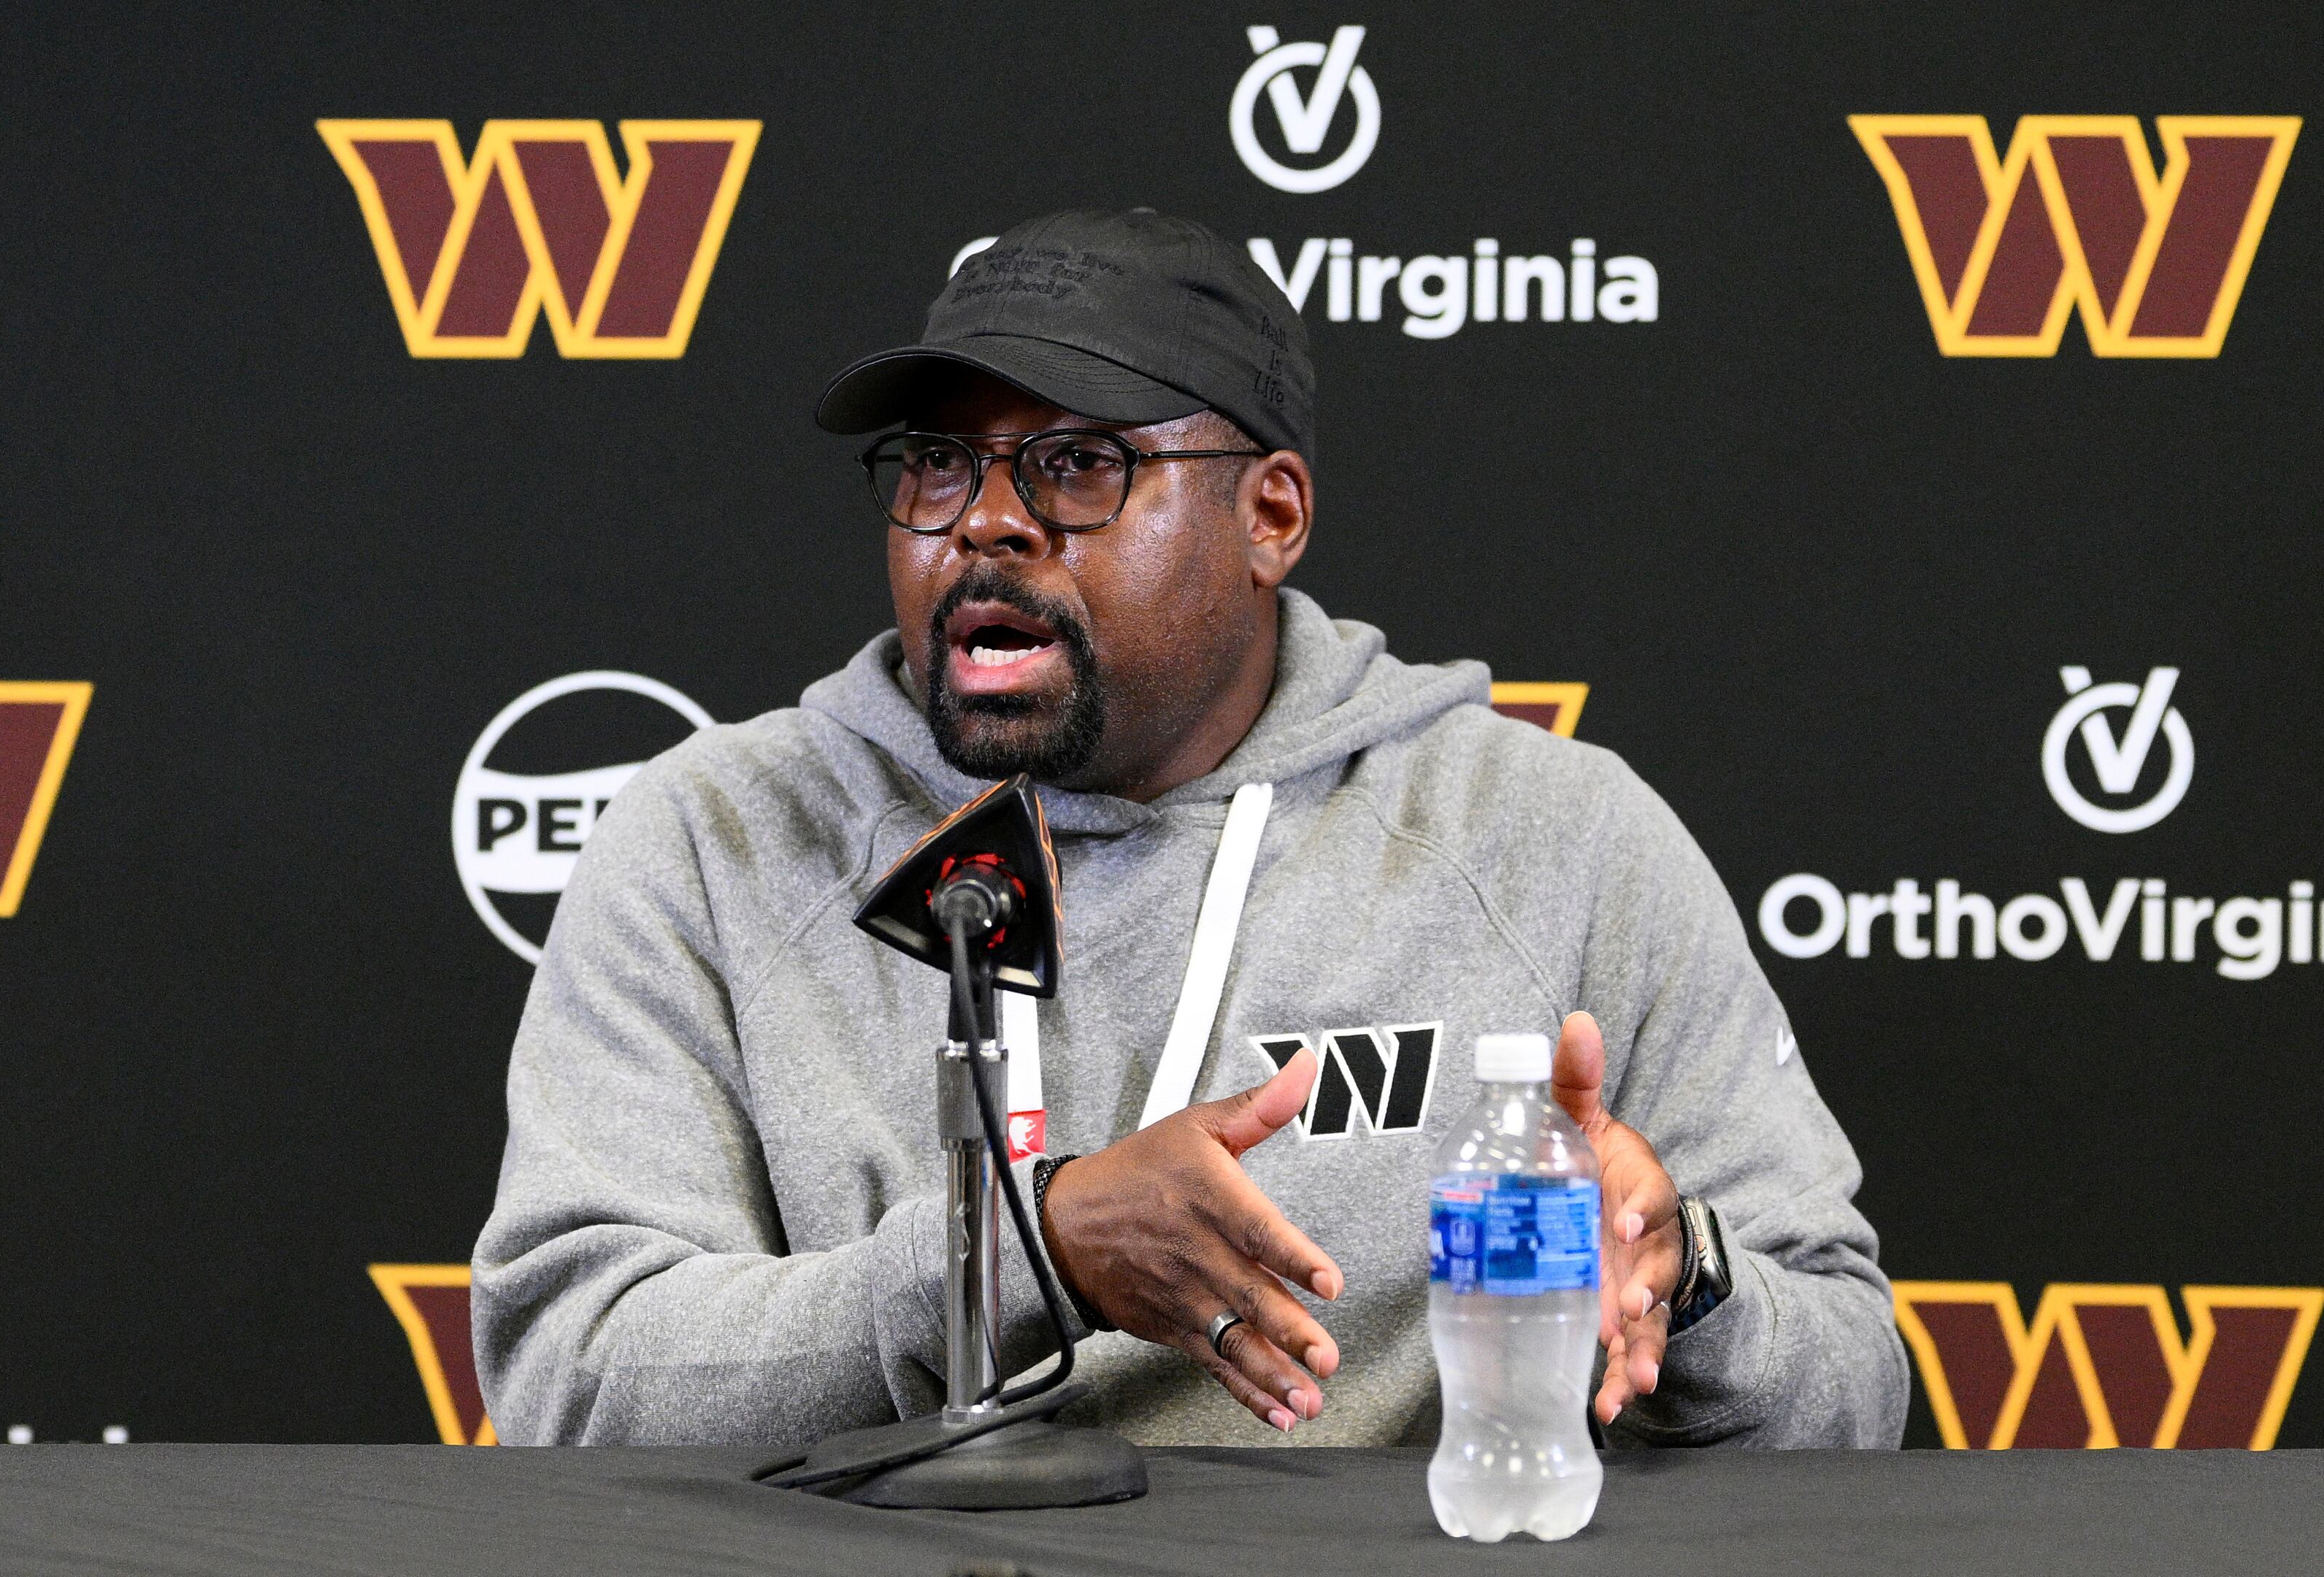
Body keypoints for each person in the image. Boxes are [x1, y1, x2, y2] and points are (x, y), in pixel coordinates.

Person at [473, 208, 1906, 1449]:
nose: (984, 524)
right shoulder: (718, 838)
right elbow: (570, 1378)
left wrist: (1687, 1282)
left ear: (1270, 513)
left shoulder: (1550, 839)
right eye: (936, 465)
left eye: (1078, 464)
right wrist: (1027, 1255)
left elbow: (1854, 1390)